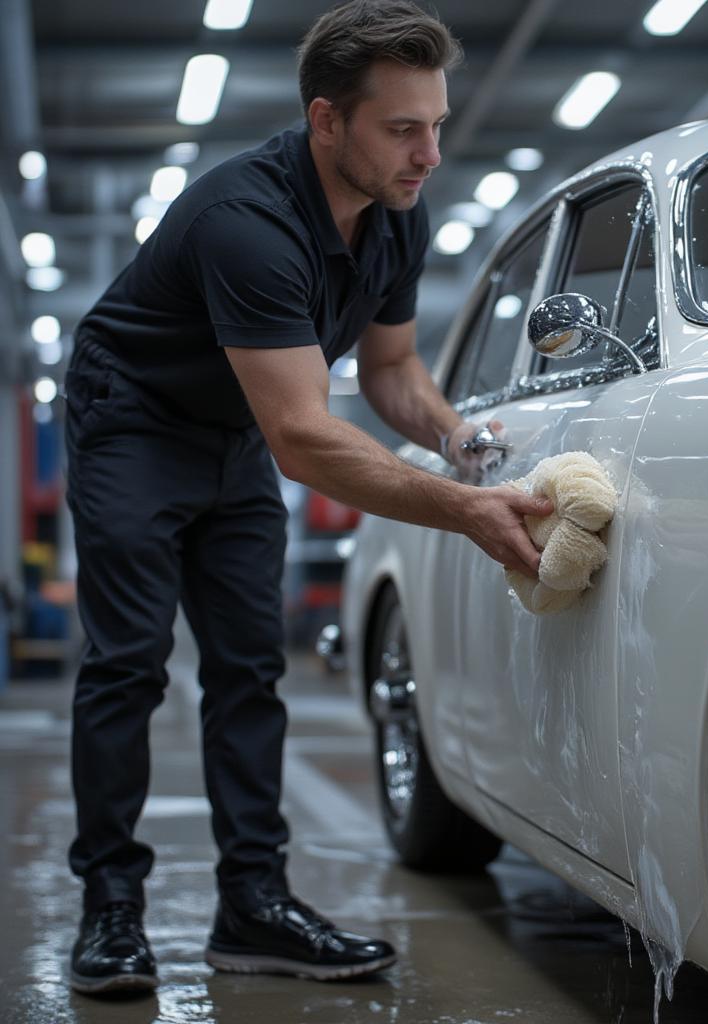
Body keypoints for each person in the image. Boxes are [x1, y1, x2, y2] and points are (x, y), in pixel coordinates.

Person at [63, 0, 552, 997]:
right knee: (129, 664)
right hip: (135, 418)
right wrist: (464, 514)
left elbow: (391, 371)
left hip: (237, 428)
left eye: (436, 124)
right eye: (401, 127)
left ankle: (254, 904)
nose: (427, 152)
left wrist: (461, 442)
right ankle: (110, 912)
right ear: (327, 120)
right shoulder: (246, 221)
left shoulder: (395, 213)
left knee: (249, 666)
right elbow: (302, 438)